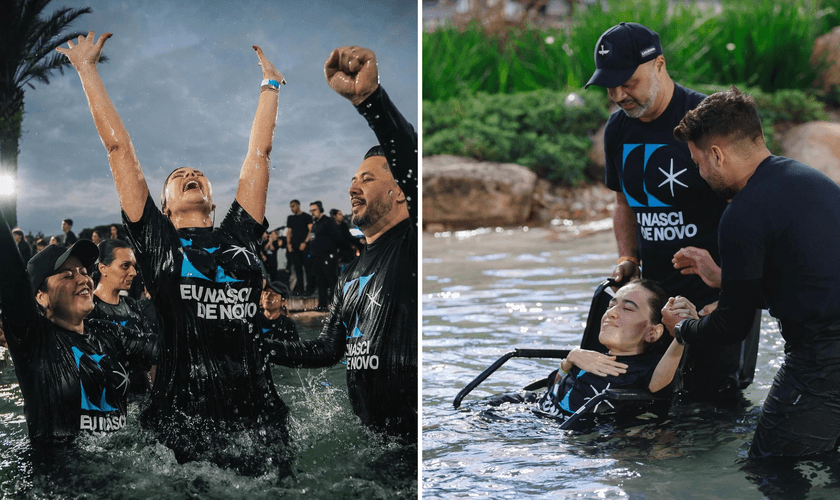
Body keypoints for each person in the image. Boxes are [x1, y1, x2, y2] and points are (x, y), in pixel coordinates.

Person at [59, 31, 291, 473]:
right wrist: (87, 69)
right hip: (184, 423)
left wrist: (271, 86)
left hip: (258, 417)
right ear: (164, 207)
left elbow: (259, 153)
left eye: (198, 174)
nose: (191, 173)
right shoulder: (156, 241)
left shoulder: (237, 236)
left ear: (212, 200)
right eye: (180, 174)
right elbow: (119, 149)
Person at [661, 86, 840, 458]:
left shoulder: (743, 212)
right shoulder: (811, 182)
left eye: (697, 162)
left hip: (821, 361)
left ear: (716, 154)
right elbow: (809, 281)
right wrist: (722, 278)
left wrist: (681, 328)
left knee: (769, 468)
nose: (699, 173)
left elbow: (732, 326)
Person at [585, 22, 758, 400]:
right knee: (654, 400)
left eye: (627, 81)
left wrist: (731, 289)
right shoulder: (617, 129)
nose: (617, 94)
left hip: (715, 291)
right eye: (608, 86)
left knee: (717, 403)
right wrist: (627, 256)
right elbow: (623, 203)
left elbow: (749, 207)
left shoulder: (706, 119)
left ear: (659, 65)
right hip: (653, 300)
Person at [268, 46, 417, 439]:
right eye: (353, 179)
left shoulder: (411, 245)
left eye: (367, 179)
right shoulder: (351, 272)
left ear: (401, 192)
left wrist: (370, 101)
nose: (353, 187)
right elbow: (325, 351)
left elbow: (408, 156)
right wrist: (258, 343)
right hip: (372, 443)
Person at [0, 216, 157, 444]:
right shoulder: (34, 340)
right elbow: (10, 273)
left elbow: (169, 348)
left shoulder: (109, 333)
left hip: (125, 468)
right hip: (65, 477)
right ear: (40, 296)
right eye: (67, 275)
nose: (83, 279)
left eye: (84, 271)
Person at [535, 279, 691, 420]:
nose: (611, 313)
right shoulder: (588, 356)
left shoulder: (647, 369)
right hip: (536, 410)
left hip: (558, 433)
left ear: (652, 332)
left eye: (627, 309)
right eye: (610, 306)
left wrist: (681, 333)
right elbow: (551, 389)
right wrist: (570, 360)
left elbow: (657, 384)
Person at [88, 239, 160, 394]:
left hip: (139, 400)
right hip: (109, 405)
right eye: (125, 266)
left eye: (134, 266)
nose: (133, 272)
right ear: (103, 268)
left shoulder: (134, 306)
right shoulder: (88, 309)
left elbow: (151, 361)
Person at [308, 200, 341, 310]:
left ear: (320, 209)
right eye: (311, 210)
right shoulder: (315, 224)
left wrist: (333, 253)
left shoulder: (328, 222)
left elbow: (337, 237)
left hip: (327, 257)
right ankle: (322, 305)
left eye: (314, 210)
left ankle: (334, 305)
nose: (312, 212)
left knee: (331, 281)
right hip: (317, 258)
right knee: (320, 282)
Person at [285, 199, 313, 295]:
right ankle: (299, 290)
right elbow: (289, 232)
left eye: (293, 206)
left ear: (298, 205)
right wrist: (288, 244)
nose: (291, 208)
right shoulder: (290, 218)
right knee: (298, 269)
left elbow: (311, 231)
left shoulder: (307, 217)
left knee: (308, 268)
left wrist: (305, 242)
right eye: (290, 207)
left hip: (305, 247)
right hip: (294, 247)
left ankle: (309, 289)